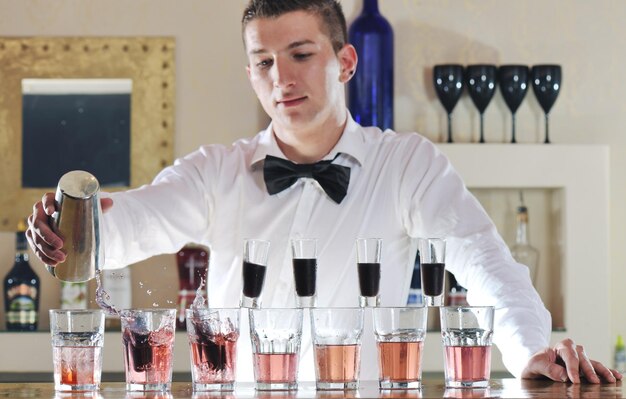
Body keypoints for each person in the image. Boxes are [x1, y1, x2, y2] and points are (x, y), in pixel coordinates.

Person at [27, 0, 619, 384]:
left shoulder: (406, 164)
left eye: (301, 55)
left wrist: (529, 352)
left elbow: (488, 263)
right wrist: (72, 233)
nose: (280, 78)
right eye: (262, 62)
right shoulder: (217, 172)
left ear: (346, 61)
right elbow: (129, 225)